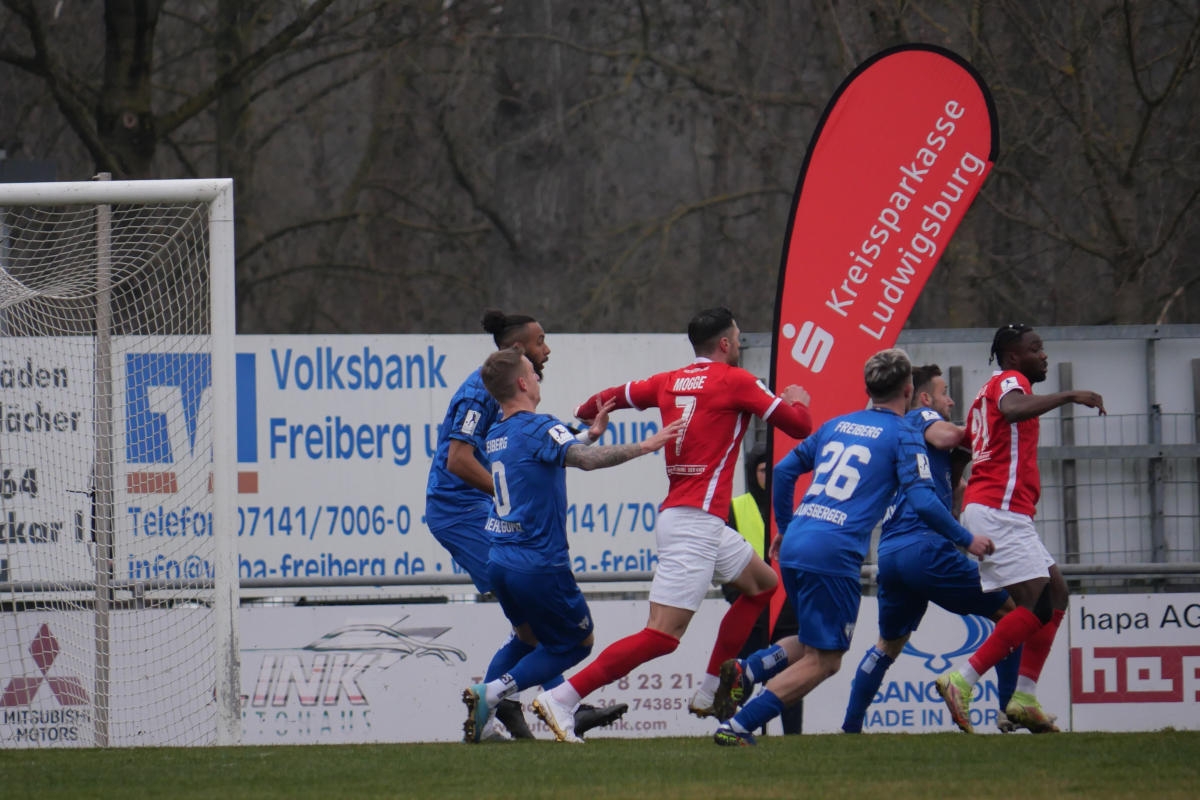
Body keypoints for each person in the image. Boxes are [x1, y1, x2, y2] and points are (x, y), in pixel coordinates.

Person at [529, 306, 815, 743]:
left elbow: (601, 400)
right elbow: (797, 426)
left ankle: (711, 690)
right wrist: (797, 398)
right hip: (695, 524)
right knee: (661, 637)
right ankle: (564, 697)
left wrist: (587, 415)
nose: (739, 345)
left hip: (694, 519)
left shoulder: (667, 381)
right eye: (737, 339)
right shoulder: (737, 381)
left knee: (762, 586)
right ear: (724, 344)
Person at [709, 348, 994, 746]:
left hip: (797, 545)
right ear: (909, 389)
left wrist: (788, 527)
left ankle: (748, 671)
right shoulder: (904, 435)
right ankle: (738, 727)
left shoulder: (837, 424)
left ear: (868, 388)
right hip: (834, 552)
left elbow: (785, 470)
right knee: (826, 660)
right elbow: (926, 501)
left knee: (810, 641)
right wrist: (967, 538)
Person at [461, 348, 683, 742]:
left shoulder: (497, 432)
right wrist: (646, 446)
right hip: (537, 562)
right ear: (523, 383)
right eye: (533, 370)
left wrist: (588, 434)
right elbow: (587, 461)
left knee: (526, 638)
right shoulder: (539, 425)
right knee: (576, 644)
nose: (538, 375)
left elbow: (545, 453)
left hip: (500, 557)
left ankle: (480, 724)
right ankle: (492, 694)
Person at [425, 308, 625, 739]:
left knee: (531, 629)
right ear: (518, 351)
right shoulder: (479, 391)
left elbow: (525, 447)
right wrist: (505, 497)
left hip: (477, 509)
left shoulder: (508, 399)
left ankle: (508, 706)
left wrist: (585, 436)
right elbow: (458, 460)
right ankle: (553, 704)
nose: (546, 350)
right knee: (535, 625)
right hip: (460, 511)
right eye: (540, 343)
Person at [935, 324, 1105, 734]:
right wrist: (1070, 395)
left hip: (999, 510)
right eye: (1036, 348)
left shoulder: (984, 394)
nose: (1043, 355)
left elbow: (965, 449)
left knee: (1057, 592)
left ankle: (1024, 697)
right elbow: (1013, 409)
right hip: (999, 510)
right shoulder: (1011, 382)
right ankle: (961, 680)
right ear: (1014, 357)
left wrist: (959, 500)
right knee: (1037, 606)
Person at [840, 364, 1022, 734]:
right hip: (923, 547)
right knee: (1011, 613)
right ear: (923, 397)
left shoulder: (908, 448)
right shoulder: (921, 418)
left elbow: (950, 493)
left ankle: (850, 729)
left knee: (889, 644)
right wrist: (985, 428)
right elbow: (947, 436)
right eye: (944, 393)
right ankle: (1007, 710)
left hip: (891, 553)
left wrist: (958, 472)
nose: (950, 400)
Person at [725, 442, 803, 735]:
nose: (767, 476)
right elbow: (725, 558)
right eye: (761, 469)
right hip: (753, 609)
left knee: (791, 681)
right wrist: (738, 599)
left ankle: (793, 737)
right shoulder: (737, 506)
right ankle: (732, 728)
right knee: (742, 680)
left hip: (788, 610)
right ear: (751, 472)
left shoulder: (793, 505)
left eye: (772, 470)